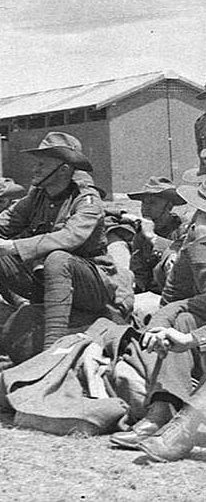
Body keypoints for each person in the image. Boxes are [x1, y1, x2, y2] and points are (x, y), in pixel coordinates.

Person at [0, 132, 128, 366]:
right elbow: (2, 222)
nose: (34, 169)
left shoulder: (86, 199)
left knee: (58, 258)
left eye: (42, 164)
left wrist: (12, 246)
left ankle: (51, 358)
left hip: (91, 286)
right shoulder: (37, 196)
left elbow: (70, 237)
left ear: (63, 170)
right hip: (44, 281)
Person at [109, 179, 206, 461]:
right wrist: (158, 329)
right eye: (199, 212)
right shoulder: (196, 244)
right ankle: (162, 411)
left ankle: (183, 431)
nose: (197, 221)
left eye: (203, 213)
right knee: (183, 319)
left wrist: (192, 339)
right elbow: (182, 299)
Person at [122, 177, 189, 294]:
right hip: (152, 293)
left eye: (153, 203)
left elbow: (182, 260)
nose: (146, 207)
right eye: (144, 202)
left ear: (169, 206)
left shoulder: (183, 228)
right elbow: (139, 270)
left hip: (177, 292)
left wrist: (153, 237)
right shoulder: (143, 230)